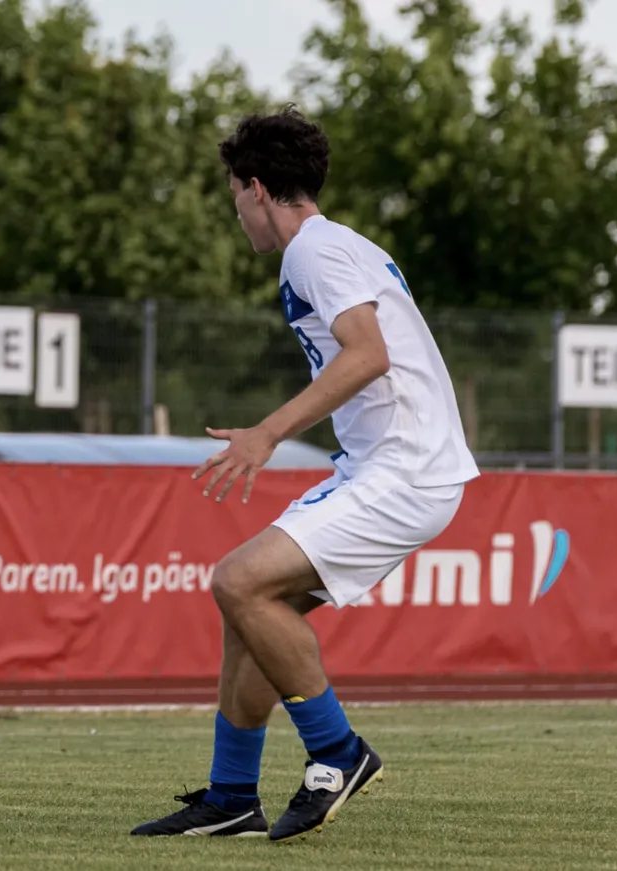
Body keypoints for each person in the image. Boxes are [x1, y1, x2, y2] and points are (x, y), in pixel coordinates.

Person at [130, 105, 478, 842]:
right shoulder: (338, 245)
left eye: (233, 196)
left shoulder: (312, 251)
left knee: (235, 578)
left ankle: (338, 751)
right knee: (252, 606)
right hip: (386, 467)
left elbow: (367, 353)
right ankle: (231, 796)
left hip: (406, 468)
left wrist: (266, 433)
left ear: (256, 188)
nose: (238, 214)